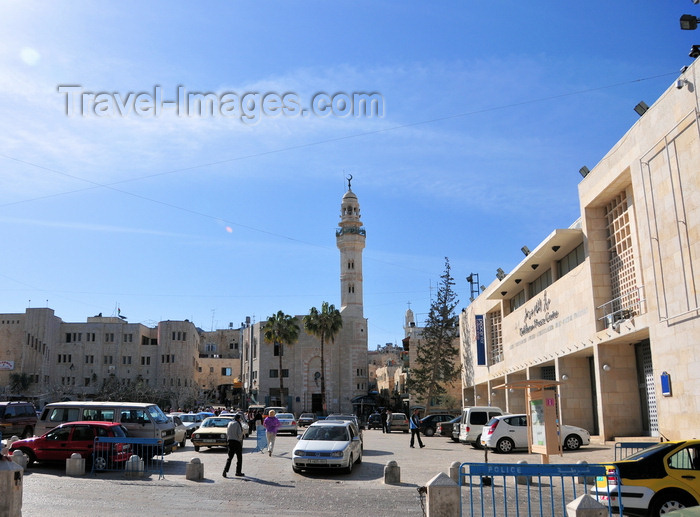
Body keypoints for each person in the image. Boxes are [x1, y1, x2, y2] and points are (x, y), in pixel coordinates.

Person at [223, 413, 245, 477]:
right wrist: (240, 439)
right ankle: (238, 472)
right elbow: (239, 433)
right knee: (239, 458)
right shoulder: (238, 424)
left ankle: (225, 471)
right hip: (237, 442)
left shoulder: (230, 423)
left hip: (230, 441)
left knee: (230, 458)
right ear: (238, 419)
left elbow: (227, 432)